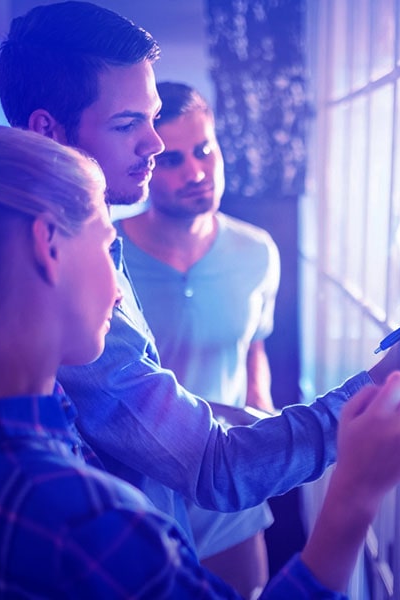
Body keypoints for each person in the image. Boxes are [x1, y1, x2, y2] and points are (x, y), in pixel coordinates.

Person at [0, 0, 400, 572]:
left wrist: (256, 415)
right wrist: (391, 380)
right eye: (128, 125)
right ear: (47, 131)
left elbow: (167, 400)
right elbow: (213, 465)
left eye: (154, 119)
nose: (155, 145)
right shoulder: (55, 276)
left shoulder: (214, 249)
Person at [0, 124, 400, 596]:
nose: (117, 289)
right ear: (47, 246)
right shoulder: (91, 525)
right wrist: (353, 498)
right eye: (109, 247)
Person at [117, 81, 277, 596]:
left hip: (230, 485)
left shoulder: (258, 252)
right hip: (138, 496)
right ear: (146, 165)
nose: (196, 172)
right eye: (173, 160)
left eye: (205, 150)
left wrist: (262, 410)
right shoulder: (106, 255)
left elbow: (253, 346)